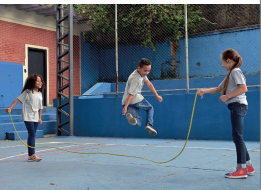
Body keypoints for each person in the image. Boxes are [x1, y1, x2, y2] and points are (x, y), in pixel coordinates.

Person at [197, 49, 254, 179]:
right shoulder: (230, 74)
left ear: (228, 60)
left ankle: (241, 170)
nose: (222, 65)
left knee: (237, 137)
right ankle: (248, 166)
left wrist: (227, 96)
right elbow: (218, 89)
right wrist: (203, 91)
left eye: (222, 62)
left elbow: (243, 88)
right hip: (237, 106)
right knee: (238, 136)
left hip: (238, 106)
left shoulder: (235, 71)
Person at [6, 73, 45, 162]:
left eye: (41, 81)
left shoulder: (39, 94)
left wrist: (40, 118)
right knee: (32, 134)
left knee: (33, 134)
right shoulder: (27, 92)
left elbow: (40, 107)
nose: (40, 82)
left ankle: (31, 154)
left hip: (35, 117)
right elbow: (17, 99)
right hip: (28, 116)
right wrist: (10, 108)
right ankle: (31, 155)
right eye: (37, 81)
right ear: (32, 82)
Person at [122, 58, 163, 136]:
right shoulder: (136, 79)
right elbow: (131, 94)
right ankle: (149, 125)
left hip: (126, 101)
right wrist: (126, 107)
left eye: (148, 71)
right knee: (150, 108)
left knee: (139, 122)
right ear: (139, 68)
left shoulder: (140, 73)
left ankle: (135, 120)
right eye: (145, 71)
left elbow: (149, 84)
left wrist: (125, 106)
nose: (147, 73)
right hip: (135, 99)